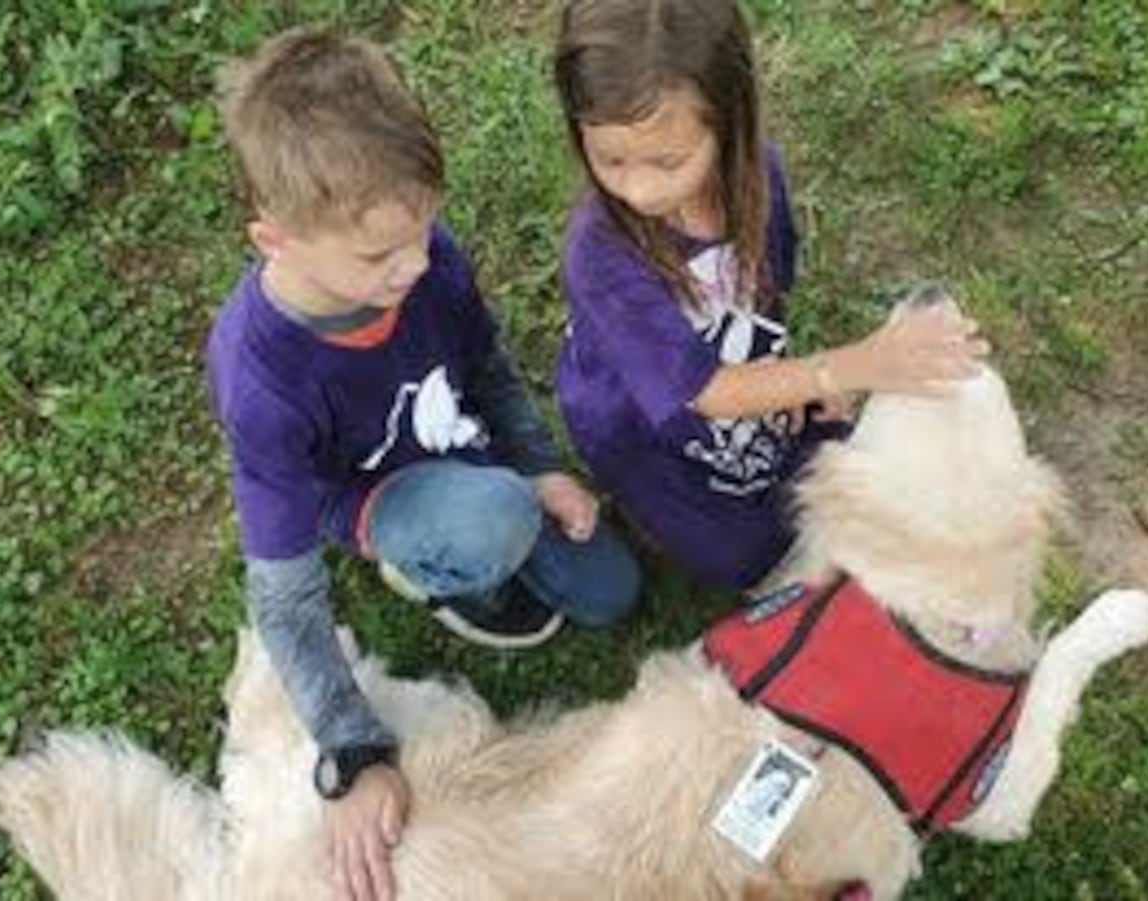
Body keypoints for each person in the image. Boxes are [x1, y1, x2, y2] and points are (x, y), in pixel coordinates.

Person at [206, 26, 641, 901]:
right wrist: (353, 751)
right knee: (494, 523)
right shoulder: (263, 377)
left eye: (425, 228)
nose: (415, 262)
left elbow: (486, 371)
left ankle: (497, 514)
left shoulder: (425, 259)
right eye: (376, 255)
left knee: (611, 592)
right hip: (386, 498)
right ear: (275, 239)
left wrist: (542, 466)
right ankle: (435, 572)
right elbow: (284, 597)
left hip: (471, 458)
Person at [552, 0, 989, 591]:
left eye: (668, 160)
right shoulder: (598, 254)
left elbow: (764, 300)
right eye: (610, 159)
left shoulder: (759, 175)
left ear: (729, 121)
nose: (639, 188)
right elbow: (701, 392)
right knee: (745, 558)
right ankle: (646, 511)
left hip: (732, 371)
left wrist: (797, 377)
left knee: (828, 473)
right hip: (644, 425)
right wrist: (847, 369)